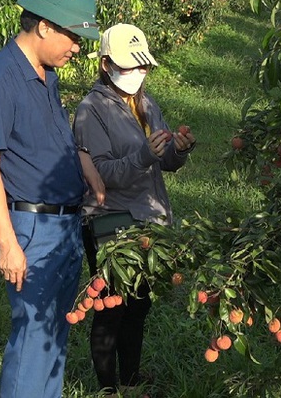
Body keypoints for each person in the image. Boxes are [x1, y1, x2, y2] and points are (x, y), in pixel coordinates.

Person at [0, 0, 106, 398]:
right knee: (32, 339)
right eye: (74, 36)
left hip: (64, 224)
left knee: (54, 332)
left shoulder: (46, 75)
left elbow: (51, 139)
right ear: (44, 26)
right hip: (32, 229)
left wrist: (86, 170)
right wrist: (8, 243)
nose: (78, 48)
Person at [72, 23, 196, 396]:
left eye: (142, 66)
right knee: (111, 308)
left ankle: (130, 381)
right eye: (129, 66)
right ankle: (109, 389)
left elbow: (166, 162)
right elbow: (101, 174)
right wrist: (145, 154)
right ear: (106, 64)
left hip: (148, 222)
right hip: (112, 220)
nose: (137, 74)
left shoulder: (145, 102)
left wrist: (180, 149)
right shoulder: (91, 110)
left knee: (138, 305)